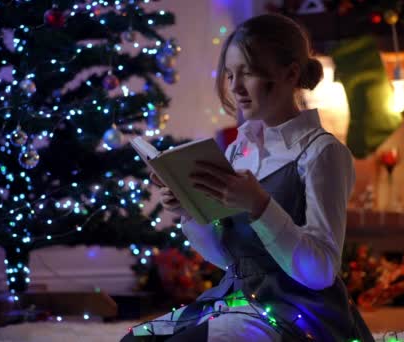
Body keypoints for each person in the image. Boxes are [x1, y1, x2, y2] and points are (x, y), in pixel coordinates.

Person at [121, 13, 374, 342]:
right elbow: (228, 258)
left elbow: (322, 271)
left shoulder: (322, 153)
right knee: (135, 340)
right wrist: (189, 209)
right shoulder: (238, 151)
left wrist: (259, 207)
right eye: (229, 74)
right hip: (236, 299)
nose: (236, 87)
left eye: (248, 73)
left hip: (298, 310)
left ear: (290, 73)